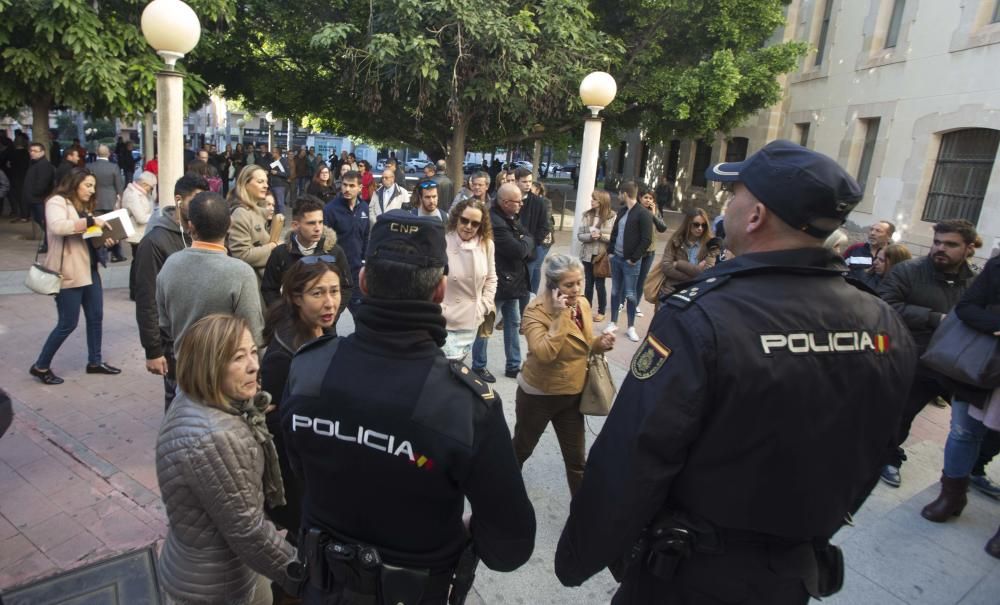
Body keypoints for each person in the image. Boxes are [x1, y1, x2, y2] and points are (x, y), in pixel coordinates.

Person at [554, 139, 917, 604]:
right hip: (790, 574)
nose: (727, 203)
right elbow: (878, 447)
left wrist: (578, 555)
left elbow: (636, 454)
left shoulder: (701, 318)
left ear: (756, 215)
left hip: (690, 574)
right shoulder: (884, 323)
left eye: (736, 193)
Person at [280, 211, 535, 604]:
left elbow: (299, 466)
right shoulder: (464, 405)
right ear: (440, 291)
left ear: (363, 281)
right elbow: (510, 544)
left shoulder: (308, 367)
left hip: (323, 587)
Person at [156, 314, 302, 605]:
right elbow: (249, 532)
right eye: (238, 357)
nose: (254, 365)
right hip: (217, 586)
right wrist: (306, 577)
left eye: (252, 352)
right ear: (209, 366)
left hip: (208, 565)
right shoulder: (215, 437)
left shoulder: (195, 397)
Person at [877, 219, 980, 488]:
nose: (940, 248)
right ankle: (888, 458)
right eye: (937, 242)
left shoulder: (976, 281)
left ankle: (970, 471)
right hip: (915, 358)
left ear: (969, 248)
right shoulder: (908, 272)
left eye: (950, 244)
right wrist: (935, 318)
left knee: (971, 425)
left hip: (959, 365)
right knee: (901, 414)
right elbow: (885, 306)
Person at [513, 254, 616, 496]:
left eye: (579, 282)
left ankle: (581, 515)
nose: (576, 289)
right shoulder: (535, 312)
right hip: (538, 395)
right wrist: (560, 317)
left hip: (572, 394)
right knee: (520, 449)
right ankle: (502, 491)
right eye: (569, 285)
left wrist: (601, 343)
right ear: (552, 285)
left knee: (577, 461)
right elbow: (545, 353)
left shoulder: (582, 304)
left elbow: (584, 342)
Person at [261, 259, 344, 555]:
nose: (330, 302)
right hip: (295, 474)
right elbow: (274, 425)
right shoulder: (283, 355)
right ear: (296, 297)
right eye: (318, 293)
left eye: (334, 291)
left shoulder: (323, 330)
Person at [156, 192, 265, 409]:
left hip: (186, 378)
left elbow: (165, 324)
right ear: (230, 224)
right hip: (226, 383)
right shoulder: (240, 273)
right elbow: (253, 331)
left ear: (190, 226)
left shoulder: (170, 265)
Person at [920, 249, 1000, 525]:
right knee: (964, 431)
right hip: (981, 366)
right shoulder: (998, 265)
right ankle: (952, 495)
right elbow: (967, 308)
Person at [30, 168, 122, 385]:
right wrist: (90, 222)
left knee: (96, 317)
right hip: (68, 272)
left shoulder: (83, 206)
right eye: (87, 185)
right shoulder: (56, 201)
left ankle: (95, 362)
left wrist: (106, 240)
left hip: (89, 269)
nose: (92, 190)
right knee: (67, 323)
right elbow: (58, 227)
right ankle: (40, 366)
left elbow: (87, 237)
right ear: (74, 183)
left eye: (93, 186)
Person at [133, 175, 208, 408]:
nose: (200, 207)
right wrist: (153, 350)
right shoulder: (155, 241)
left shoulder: (202, 234)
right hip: (173, 344)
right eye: (195, 200)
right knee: (177, 403)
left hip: (204, 341)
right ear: (178, 200)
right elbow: (147, 300)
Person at [471, 183, 534, 382]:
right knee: (486, 326)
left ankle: (513, 365)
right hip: (497, 283)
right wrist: (526, 242)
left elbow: (529, 237)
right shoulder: (494, 222)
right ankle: (478, 366)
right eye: (518, 201)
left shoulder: (510, 216)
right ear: (505, 202)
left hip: (513, 281)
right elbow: (518, 250)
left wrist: (526, 241)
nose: (521, 205)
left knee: (513, 323)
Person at [261, 195, 352, 321]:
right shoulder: (280, 254)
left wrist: (332, 315)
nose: (318, 228)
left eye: (320, 222)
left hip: (324, 330)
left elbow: (346, 287)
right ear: (295, 225)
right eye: (311, 223)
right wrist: (283, 316)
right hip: (291, 328)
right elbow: (269, 289)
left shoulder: (335, 252)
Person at [441, 198, 496, 361]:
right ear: (456, 217)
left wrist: (484, 306)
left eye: (475, 223)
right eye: (464, 220)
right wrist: (439, 308)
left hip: (471, 319)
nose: (468, 227)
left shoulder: (487, 244)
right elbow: (430, 281)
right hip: (444, 320)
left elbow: (492, 278)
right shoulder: (442, 241)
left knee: (458, 368)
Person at [606, 180, 652, 342]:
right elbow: (615, 232)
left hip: (630, 261)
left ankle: (631, 327)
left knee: (631, 293)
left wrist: (634, 258)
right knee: (615, 291)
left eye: (619, 193)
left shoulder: (643, 213)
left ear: (625, 194)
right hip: (616, 258)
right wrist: (610, 252)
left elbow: (646, 239)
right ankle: (613, 322)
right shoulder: (622, 210)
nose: (618, 196)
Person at [323, 170, 369, 313]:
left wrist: (364, 262)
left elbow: (366, 237)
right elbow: (324, 243)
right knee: (330, 316)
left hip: (356, 272)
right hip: (336, 271)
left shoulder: (364, 208)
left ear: (360, 188)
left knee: (360, 314)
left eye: (351, 185)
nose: (347, 189)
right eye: (344, 185)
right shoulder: (330, 209)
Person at [655, 208, 717, 301]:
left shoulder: (711, 244)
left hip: (693, 295)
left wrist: (679, 264)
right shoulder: (676, 240)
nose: (700, 228)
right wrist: (693, 275)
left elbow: (707, 273)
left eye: (703, 225)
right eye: (696, 225)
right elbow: (666, 267)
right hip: (670, 292)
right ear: (688, 224)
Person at [228, 164, 277, 279]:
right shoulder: (241, 213)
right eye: (260, 182)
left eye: (266, 182)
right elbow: (241, 255)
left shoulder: (259, 211)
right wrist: (273, 246)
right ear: (245, 184)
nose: (266, 186)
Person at [514, 168, 552, 303]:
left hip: (529, 253)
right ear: (516, 181)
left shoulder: (538, 202)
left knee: (525, 287)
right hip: (510, 250)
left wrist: (532, 242)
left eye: (530, 181)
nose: (528, 184)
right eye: (524, 181)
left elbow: (545, 226)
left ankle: (522, 318)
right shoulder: (509, 199)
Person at [577, 190, 615, 323]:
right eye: (592, 198)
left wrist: (601, 236)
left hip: (601, 255)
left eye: (594, 199)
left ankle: (601, 311)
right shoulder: (587, 215)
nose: (591, 201)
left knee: (600, 284)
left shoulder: (612, 216)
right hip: (587, 254)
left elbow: (614, 237)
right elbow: (580, 235)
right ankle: (587, 309)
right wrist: (590, 236)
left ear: (602, 201)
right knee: (588, 284)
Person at [121, 171, 158, 299]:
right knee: (137, 263)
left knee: (138, 262)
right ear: (143, 184)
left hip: (141, 233)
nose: (151, 190)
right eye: (151, 187)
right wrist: (155, 215)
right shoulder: (133, 195)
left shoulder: (141, 194)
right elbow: (141, 217)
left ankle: (136, 290)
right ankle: (135, 291)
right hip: (137, 234)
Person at [636, 188, 668, 318]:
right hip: (637, 250)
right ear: (640, 198)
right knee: (631, 278)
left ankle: (635, 304)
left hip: (650, 251)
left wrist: (654, 214)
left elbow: (662, 228)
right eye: (646, 197)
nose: (648, 200)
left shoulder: (655, 212)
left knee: (641, 279)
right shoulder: (636, 210)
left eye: (650, 198)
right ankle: (621, 302)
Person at [22, 142, 55, 252]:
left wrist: (34, 193)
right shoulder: (34, 164)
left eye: (35, 151)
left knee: (45, 222)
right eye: (30, 151)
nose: (32, 153)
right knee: (41, 221)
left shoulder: (44, 165)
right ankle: (48, 243)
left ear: (42, 152)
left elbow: (43, 183)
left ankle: (48, 244)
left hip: (40, 200)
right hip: (35, 199)